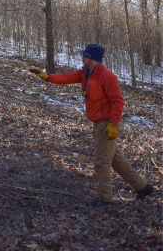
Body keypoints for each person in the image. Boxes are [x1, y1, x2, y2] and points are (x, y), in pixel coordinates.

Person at [30, 44, 154, 207]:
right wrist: (47, 76)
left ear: (94, 59)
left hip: (106, 123)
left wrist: (113, 124)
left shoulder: (107, 76)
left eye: (86, 57)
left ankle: (105, 199)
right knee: (115, 159)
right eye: (83, 56)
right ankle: (143, 188)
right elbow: (67, 77)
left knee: (101, 162)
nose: (83, 59)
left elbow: (118, 101)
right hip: (97, 123)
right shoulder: (84, 73)